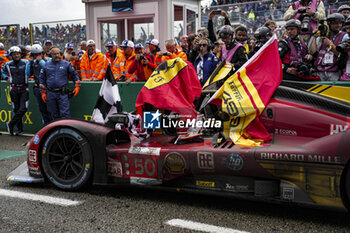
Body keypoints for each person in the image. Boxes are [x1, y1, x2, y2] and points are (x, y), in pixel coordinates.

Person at [39, 47, 80, 119]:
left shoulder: (66, 64)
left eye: (58, 53)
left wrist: (77, 86)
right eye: (54, 54)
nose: (57, 55)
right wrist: (43, 92)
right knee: (53, 115)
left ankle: (65, 130)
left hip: (63, 94)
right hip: (51, 93)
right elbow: (42, 79)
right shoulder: (46, 65)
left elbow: (75, 75)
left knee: (65, 114)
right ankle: (56, 130)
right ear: (51, 55)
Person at [1, 46, 30, 135]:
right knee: (16, 109)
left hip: (24, 89)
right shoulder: (8, 64)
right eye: (14, 54)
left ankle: (10, 124)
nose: (16, 55)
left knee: (23, 108)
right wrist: (6, 78)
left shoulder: (26, 63)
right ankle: (19, 130)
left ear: (21, 54)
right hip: (13, 89)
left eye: (17, 54)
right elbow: (2, 71)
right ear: (11, 55)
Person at [310, 13, 349, 81]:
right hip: (319, 71)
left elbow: (340, 55)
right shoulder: (322, 36)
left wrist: (330, 44)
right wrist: (314, 37)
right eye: (336, 23)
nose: (339, 25)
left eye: (340, 23)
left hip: (334, 72)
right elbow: (313, 52)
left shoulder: (344, 36)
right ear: (329, 24)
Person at [27, 44, 52, 124]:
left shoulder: (48, 60)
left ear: (42, 53)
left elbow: (48, 69)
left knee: (50, 109)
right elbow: (27, 73)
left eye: (39, 54)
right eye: (35, 54)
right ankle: (45, 126)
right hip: (38, 88)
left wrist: (40, 61)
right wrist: (29, 62)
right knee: (42, 109)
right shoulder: (32, 63)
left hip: (48, 88)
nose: (38, 56)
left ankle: (52, 125)